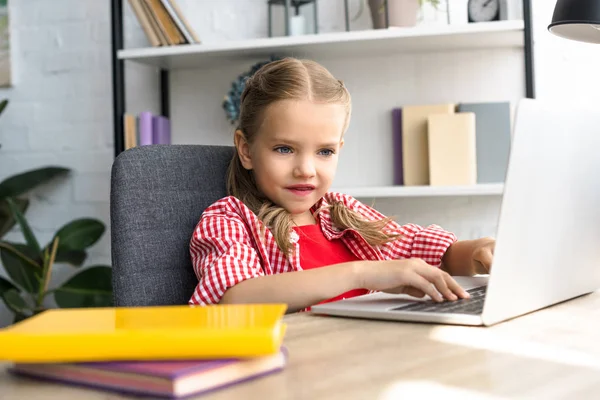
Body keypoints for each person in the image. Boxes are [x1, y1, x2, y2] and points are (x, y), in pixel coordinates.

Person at [189, 57, 495, 313]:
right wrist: (361, 273)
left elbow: (424, 250)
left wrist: (475, 252)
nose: (305, 170)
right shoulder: (229, 219)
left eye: (324, 151)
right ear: (245, 150)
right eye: (284, 149)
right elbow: (234, 298)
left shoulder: (340, 211)